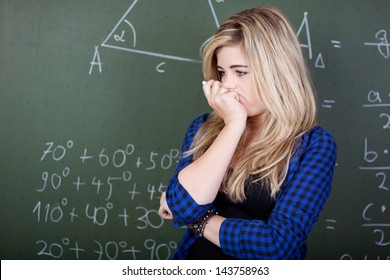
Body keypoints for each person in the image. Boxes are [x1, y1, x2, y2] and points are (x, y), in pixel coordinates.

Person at [158, 6, 337, 260]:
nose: (227, 84)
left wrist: (199, 222)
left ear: (277, 72)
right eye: (222, 72)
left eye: (240, 72)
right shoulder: (203, 128)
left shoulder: (314, 145)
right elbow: (183, 205)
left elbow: (277, 246)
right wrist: (233, 125)